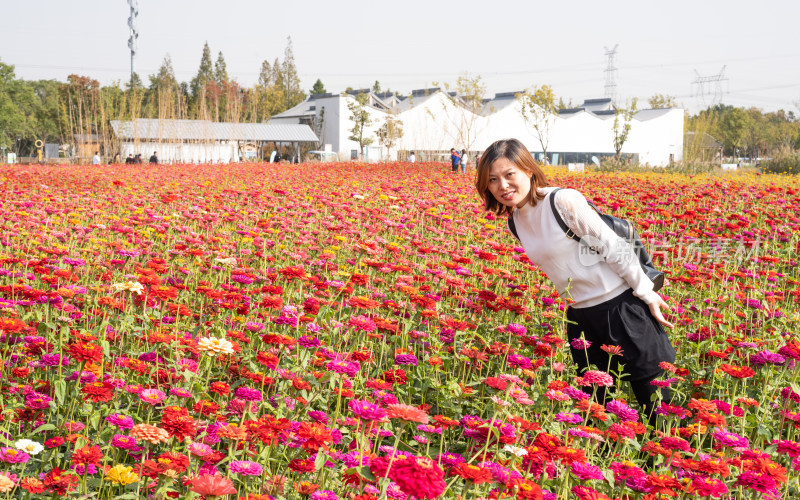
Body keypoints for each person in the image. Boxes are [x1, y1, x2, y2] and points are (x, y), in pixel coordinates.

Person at [474, 138, 676, 426]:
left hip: (622, 308)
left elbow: (613, 246)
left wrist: (646, 293)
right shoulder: (515, 220)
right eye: (493, 180)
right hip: (581, 317)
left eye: (509, 175)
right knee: (596, 409)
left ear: (529, 171)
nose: (502, 186)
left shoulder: (562, 201)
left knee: (656, 404)